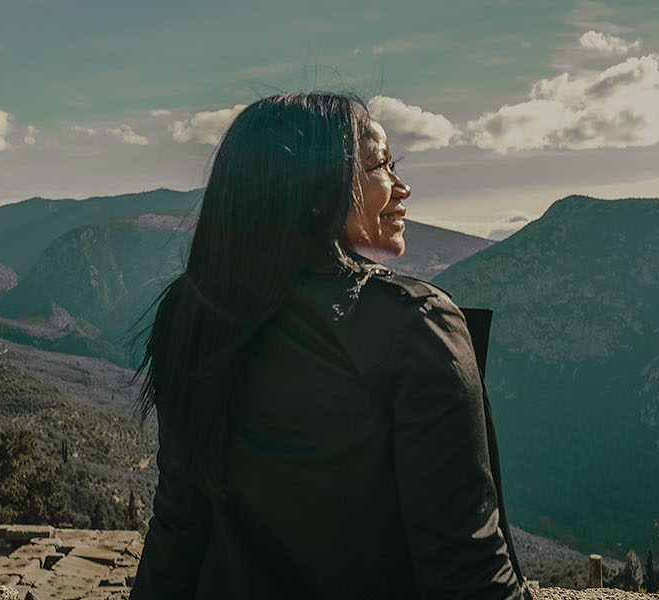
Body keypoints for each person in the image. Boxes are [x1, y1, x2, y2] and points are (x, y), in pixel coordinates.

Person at [128, 91, 530, 599]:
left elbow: (178, 529)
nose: (402, 187)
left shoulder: (193, 315)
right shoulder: (415, 326)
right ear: (318, 194)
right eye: (381, 167)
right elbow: (467, 572)